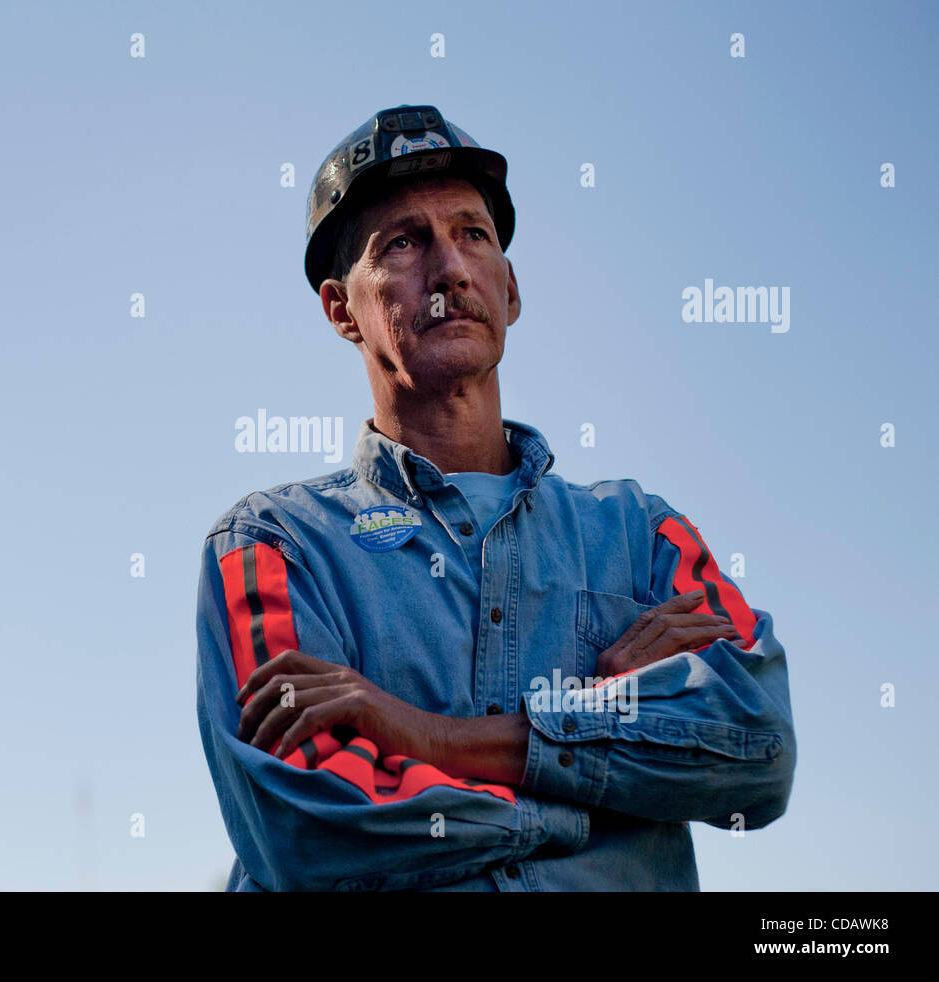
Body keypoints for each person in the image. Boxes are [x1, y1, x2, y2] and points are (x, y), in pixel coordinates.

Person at [194, 104, 796, 891]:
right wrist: (594, 798)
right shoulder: (273, 547)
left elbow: (757, 745)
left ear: (509, 290)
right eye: (404, 243)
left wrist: (430, 737)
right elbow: (310, 823)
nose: (449, 269)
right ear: (343, 309)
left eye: (473, 235)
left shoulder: (645, 537)